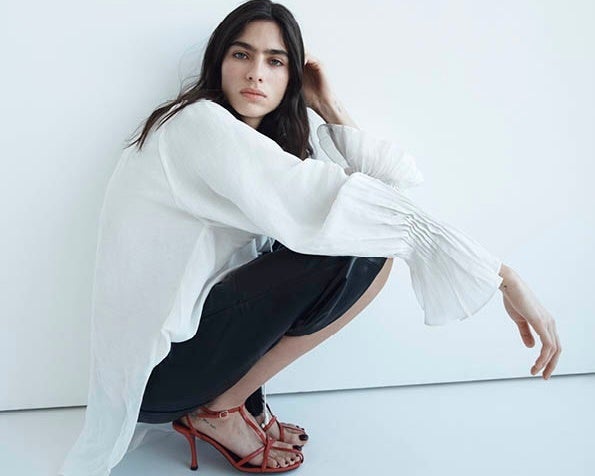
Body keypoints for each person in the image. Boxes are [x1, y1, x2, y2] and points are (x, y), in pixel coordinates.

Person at [59, 1, 562, 474]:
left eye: (276, 62)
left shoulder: (261, 147)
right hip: (157, 374)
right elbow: (364, 212)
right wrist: (504, 276)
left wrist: (326, 103)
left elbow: (391, 188)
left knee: (355, 235)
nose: (257, 73)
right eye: (242, 55)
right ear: (218, 64)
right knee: (357, 244)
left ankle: (232, 399)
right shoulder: (198, 125)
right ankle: (219, 409)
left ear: (291, 77)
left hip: (174, 367)